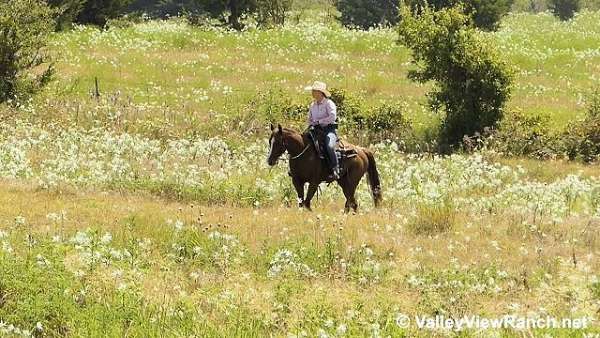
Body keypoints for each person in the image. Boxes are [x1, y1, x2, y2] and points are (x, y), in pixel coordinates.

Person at [305, 81, 339, 180]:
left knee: (329, 146)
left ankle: (335, 169)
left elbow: (332, 117)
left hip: (329, 130)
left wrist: (319, 121)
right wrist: (311, 123)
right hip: (315, 130)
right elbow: (310, 119)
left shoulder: (329, 103)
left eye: (314, 91)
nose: (312, 92)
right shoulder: (312, 105)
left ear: (320, 92)